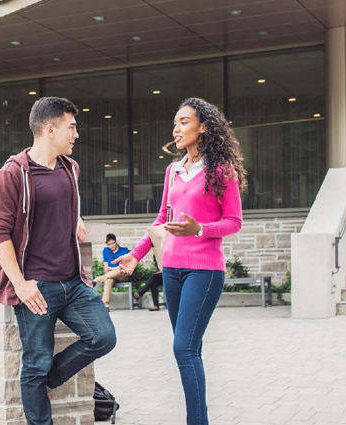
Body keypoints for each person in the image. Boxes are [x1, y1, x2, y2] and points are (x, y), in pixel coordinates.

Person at [115, 97, 245, 425]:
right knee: (189, 350)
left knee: (183, 348)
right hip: (171, 269)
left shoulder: (221, 170)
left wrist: (199, 228)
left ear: (204, 127)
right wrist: (134, 254)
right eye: (175, 123)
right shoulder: (173, 170)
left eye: (184, 122)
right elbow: (162, 219)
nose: (176, 128)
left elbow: (234, 221)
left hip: (205, 271)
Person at [0, 97, 116, 425]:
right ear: (49, 129)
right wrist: (20, 284)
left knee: (103, 337)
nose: (76, 134)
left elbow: (61, 205)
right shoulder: (13, 173)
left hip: (73, 282)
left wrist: (77, 217)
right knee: (35, 363)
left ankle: (48, 380)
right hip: (37, 287)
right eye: (71, 127)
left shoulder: (70, 168)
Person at [93, 233, 131, 310]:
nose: (111, 246)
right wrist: (110, 270)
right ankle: (105, 305)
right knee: (109, 280)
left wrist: (114, 269)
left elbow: (125, 267)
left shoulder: (125, 250)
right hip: (110, 275)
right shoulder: (106, 251)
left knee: (120, 271)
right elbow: (106, 267)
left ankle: (96, 280)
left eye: (112, 243)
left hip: (123, 275)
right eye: (109, 244)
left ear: (116, 242)